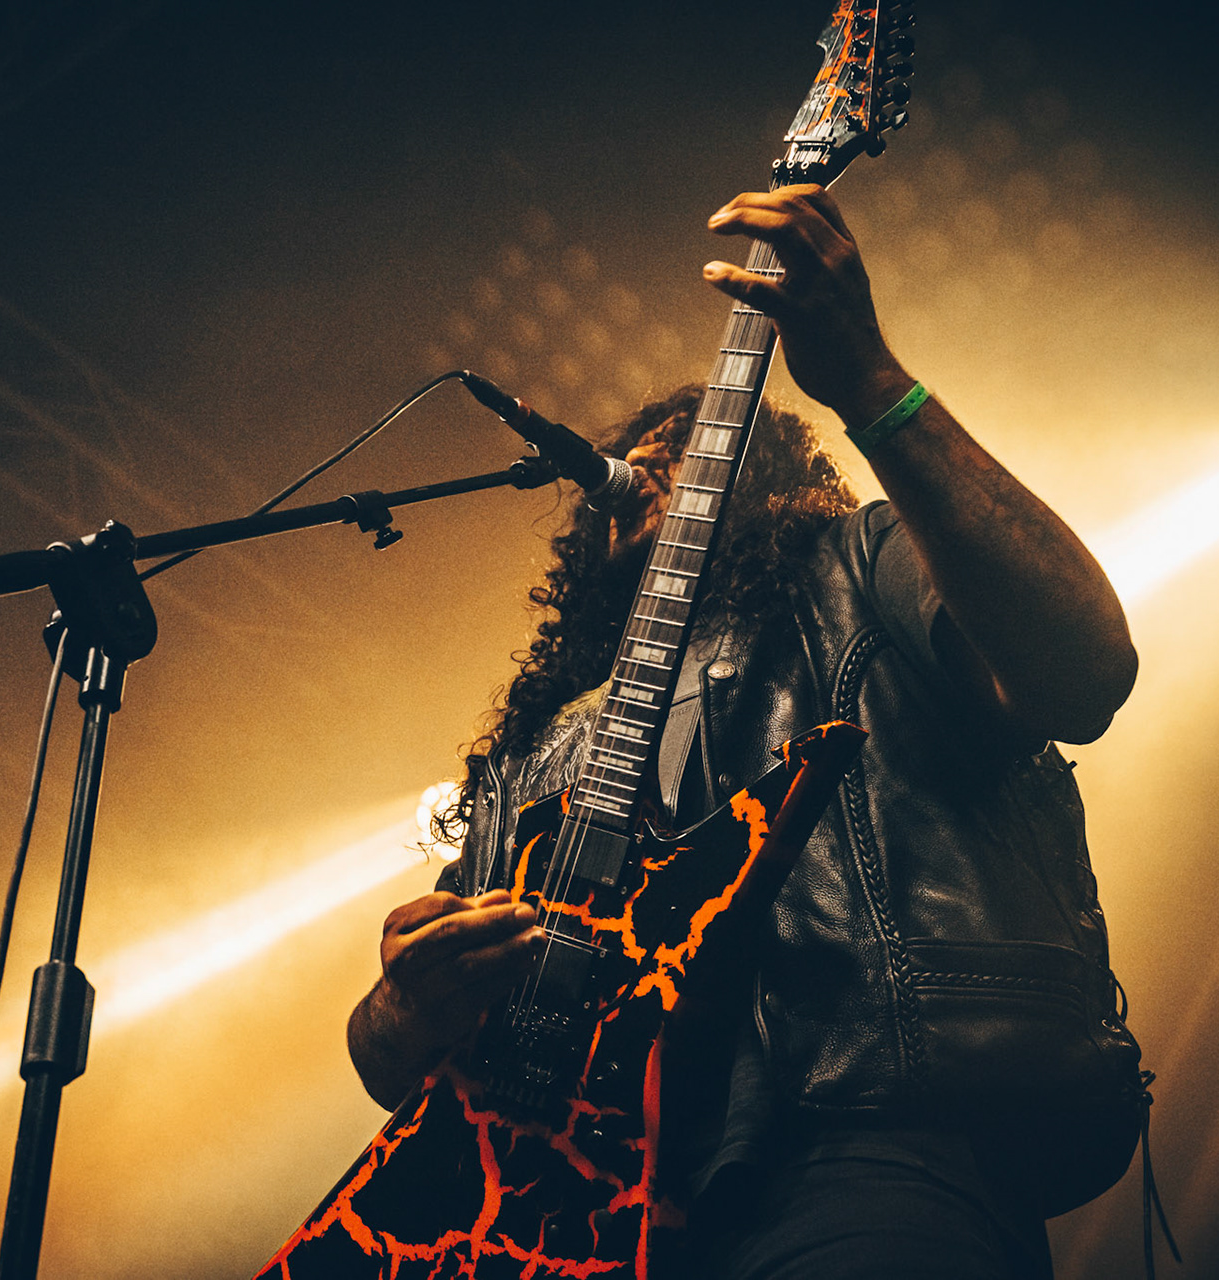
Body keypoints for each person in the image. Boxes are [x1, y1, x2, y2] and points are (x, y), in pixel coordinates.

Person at [346, 185, 1146, 1278]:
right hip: (577, 1214)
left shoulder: (858, 571)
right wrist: (402, 1002)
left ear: (761, 477)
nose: (660, 466)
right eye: (646, 452)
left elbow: (1084, 668)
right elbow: (400, 1065)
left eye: (698, 448)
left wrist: (871, 381)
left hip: (863, 1146)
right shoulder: (542, 746)